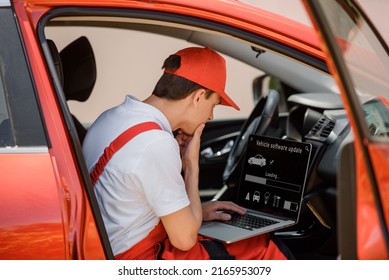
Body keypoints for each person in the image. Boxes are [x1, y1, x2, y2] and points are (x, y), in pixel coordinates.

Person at [83, 46, 292, 260]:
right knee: (265, 248)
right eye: (214, 104)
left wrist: (197, 211)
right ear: (199, 96)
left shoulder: (112, 117)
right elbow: (184, 239)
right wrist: (191, 165)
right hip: (135, 259)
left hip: (106, 247)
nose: (210, 116)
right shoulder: (155, 143)